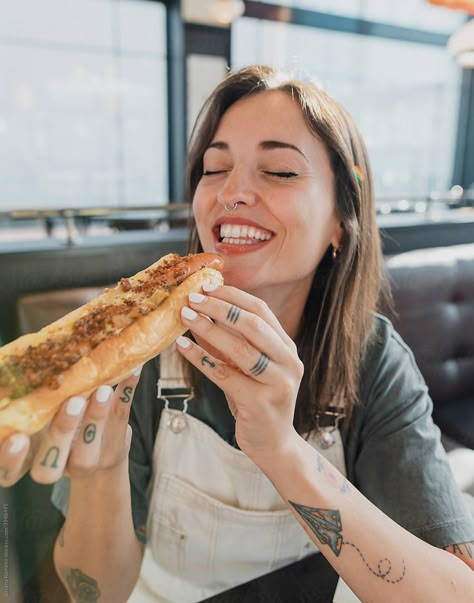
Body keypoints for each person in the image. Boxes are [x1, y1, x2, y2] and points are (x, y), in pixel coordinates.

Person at [1, 64, 473, 603]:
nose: (231, 191)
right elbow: (98, 592)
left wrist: (279, 448)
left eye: (278, 171)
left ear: (340, 222)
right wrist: (100, 471)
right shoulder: (145, 354)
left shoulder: (373, 357)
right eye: (214, 167)